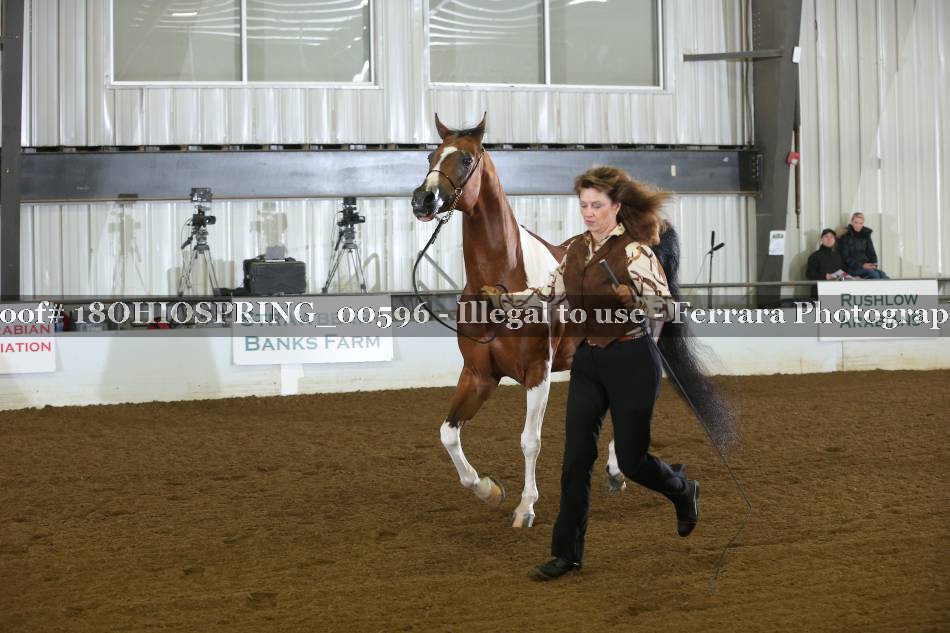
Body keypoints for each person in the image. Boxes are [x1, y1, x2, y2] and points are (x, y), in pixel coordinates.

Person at [482, 166, 698, 581]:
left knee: (632, 461)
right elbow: (548, 296)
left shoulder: (635, 252)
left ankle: (681, 490)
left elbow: (668, 309)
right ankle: (567, 554)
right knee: (575, 460)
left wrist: (636, 300)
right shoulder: (577, 251)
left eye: (597, 205)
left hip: (633, 360)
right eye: (584, 205)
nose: (589, 213)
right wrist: (505, 302)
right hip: (589, 361)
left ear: (617, 206)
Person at [837, 212, 888, 279]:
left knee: (883, 275)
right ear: (852, 222)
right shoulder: (845, 236)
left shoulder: (866, 235)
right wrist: (862, 265)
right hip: (852, 268)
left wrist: (873, 264)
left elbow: (871, 252)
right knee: (875, 275)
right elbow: (845, 258)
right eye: (856, 223)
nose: (858, 225)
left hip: (865, 266)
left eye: (861, 223)